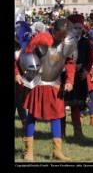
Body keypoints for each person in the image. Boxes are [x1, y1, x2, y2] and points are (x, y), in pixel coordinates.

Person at [15, 18, 77, 161]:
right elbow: (22, 59)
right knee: (32, 115)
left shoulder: (67, 44)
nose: (63, 38)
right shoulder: (40, 40)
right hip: (36, 84)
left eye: (65, 36)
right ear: (54, 30)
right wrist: (17, 74)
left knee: (56, 116)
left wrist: (69, 80)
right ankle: (28, 151)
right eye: (61, 35)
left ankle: (57, 152)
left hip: (55, 84)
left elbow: (69, 63)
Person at [62, 14, 93, 139]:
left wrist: (86, 70)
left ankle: (78, 132)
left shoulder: (85, 42)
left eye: (80, 28)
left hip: (79, 77)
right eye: (75, 28)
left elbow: (91, 56)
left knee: (76, 106)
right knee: (62, 105)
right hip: (65, 77)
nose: (78, 30)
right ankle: (61, 132)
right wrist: (68, 68)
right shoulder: (64, 41)